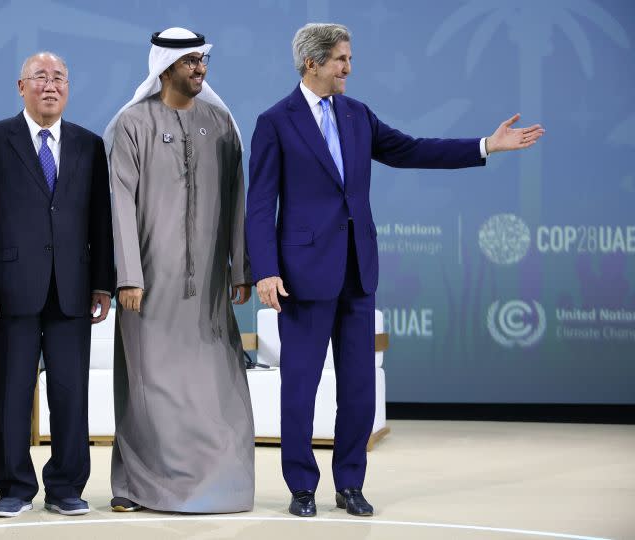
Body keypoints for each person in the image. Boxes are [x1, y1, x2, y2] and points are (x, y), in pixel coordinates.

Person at [245, 23, 545, 518]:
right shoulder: (275, 121)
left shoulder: (358, 114)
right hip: (302, 276)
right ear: (312, 63)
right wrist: (265, 270)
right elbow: (260, 204)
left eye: (348, 57)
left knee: (360, 387)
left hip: (358, 272)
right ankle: (302, 488)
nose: (349, 67)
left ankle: (350, 485)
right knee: (299, 386)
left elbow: (411, 150)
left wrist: (486, 146)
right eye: (341, 59)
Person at [104, 27, 254, 514]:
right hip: (148, 286)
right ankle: (135, 487)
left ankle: (221, 486)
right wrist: (128, 274)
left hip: (207, 286)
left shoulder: (221, 124)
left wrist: (240, 268)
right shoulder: (132, 124)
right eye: (190, 62)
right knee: (147, 389)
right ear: (164, 68)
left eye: (203, 61)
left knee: (214, 391)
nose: (199, 69)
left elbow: (237, 202)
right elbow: (118, 202)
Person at [0, 52, 115, 518]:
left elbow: (100, 221)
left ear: (68, 88)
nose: (50, 86)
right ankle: (13, 486)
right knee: (12, 394)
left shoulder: (89, 145)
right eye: (40, 78)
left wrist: (103, 283)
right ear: (21, 86)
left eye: (59, 79)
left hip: (72, 288)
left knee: (70, 393)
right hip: (11, 288)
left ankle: (67, 486)